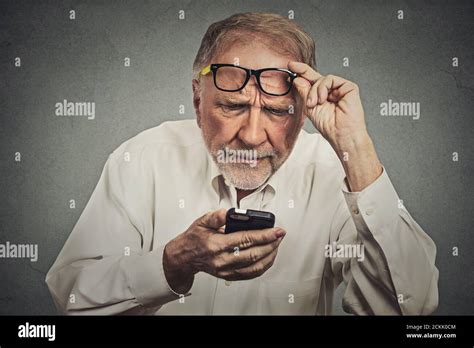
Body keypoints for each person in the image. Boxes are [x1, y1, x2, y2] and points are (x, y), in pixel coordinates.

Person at [46, 12, 438, 315]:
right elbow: (72, 296)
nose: (252, 135)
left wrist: (357, 147)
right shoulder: (142, 159)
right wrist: (172, 264)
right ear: (199, 103)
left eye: (276, 110)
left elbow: (409, 308)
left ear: (302, 115)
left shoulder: (338, 174)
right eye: (233, 106)